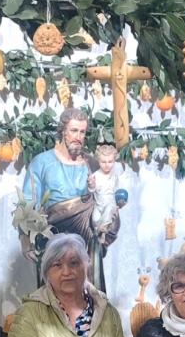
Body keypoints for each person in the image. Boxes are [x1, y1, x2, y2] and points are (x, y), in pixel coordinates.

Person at [19, 108, 119, 290]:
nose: (78, 136)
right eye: (74, 131)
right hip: (52, 239)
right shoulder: (42, 163)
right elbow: (27, 203)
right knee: (55, 300)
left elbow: (106, 197)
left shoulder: (92, 164)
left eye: (82, 132)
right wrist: (25, 239)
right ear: (63, 131)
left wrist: (111, 217)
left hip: (87, 243)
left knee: (89, 298)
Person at [7, 232, 125, 337]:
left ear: (86, 266)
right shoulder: (30, 314)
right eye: (57, 265)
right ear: (47, 273)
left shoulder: (108, 312)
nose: (67, 272)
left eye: (74, 263)